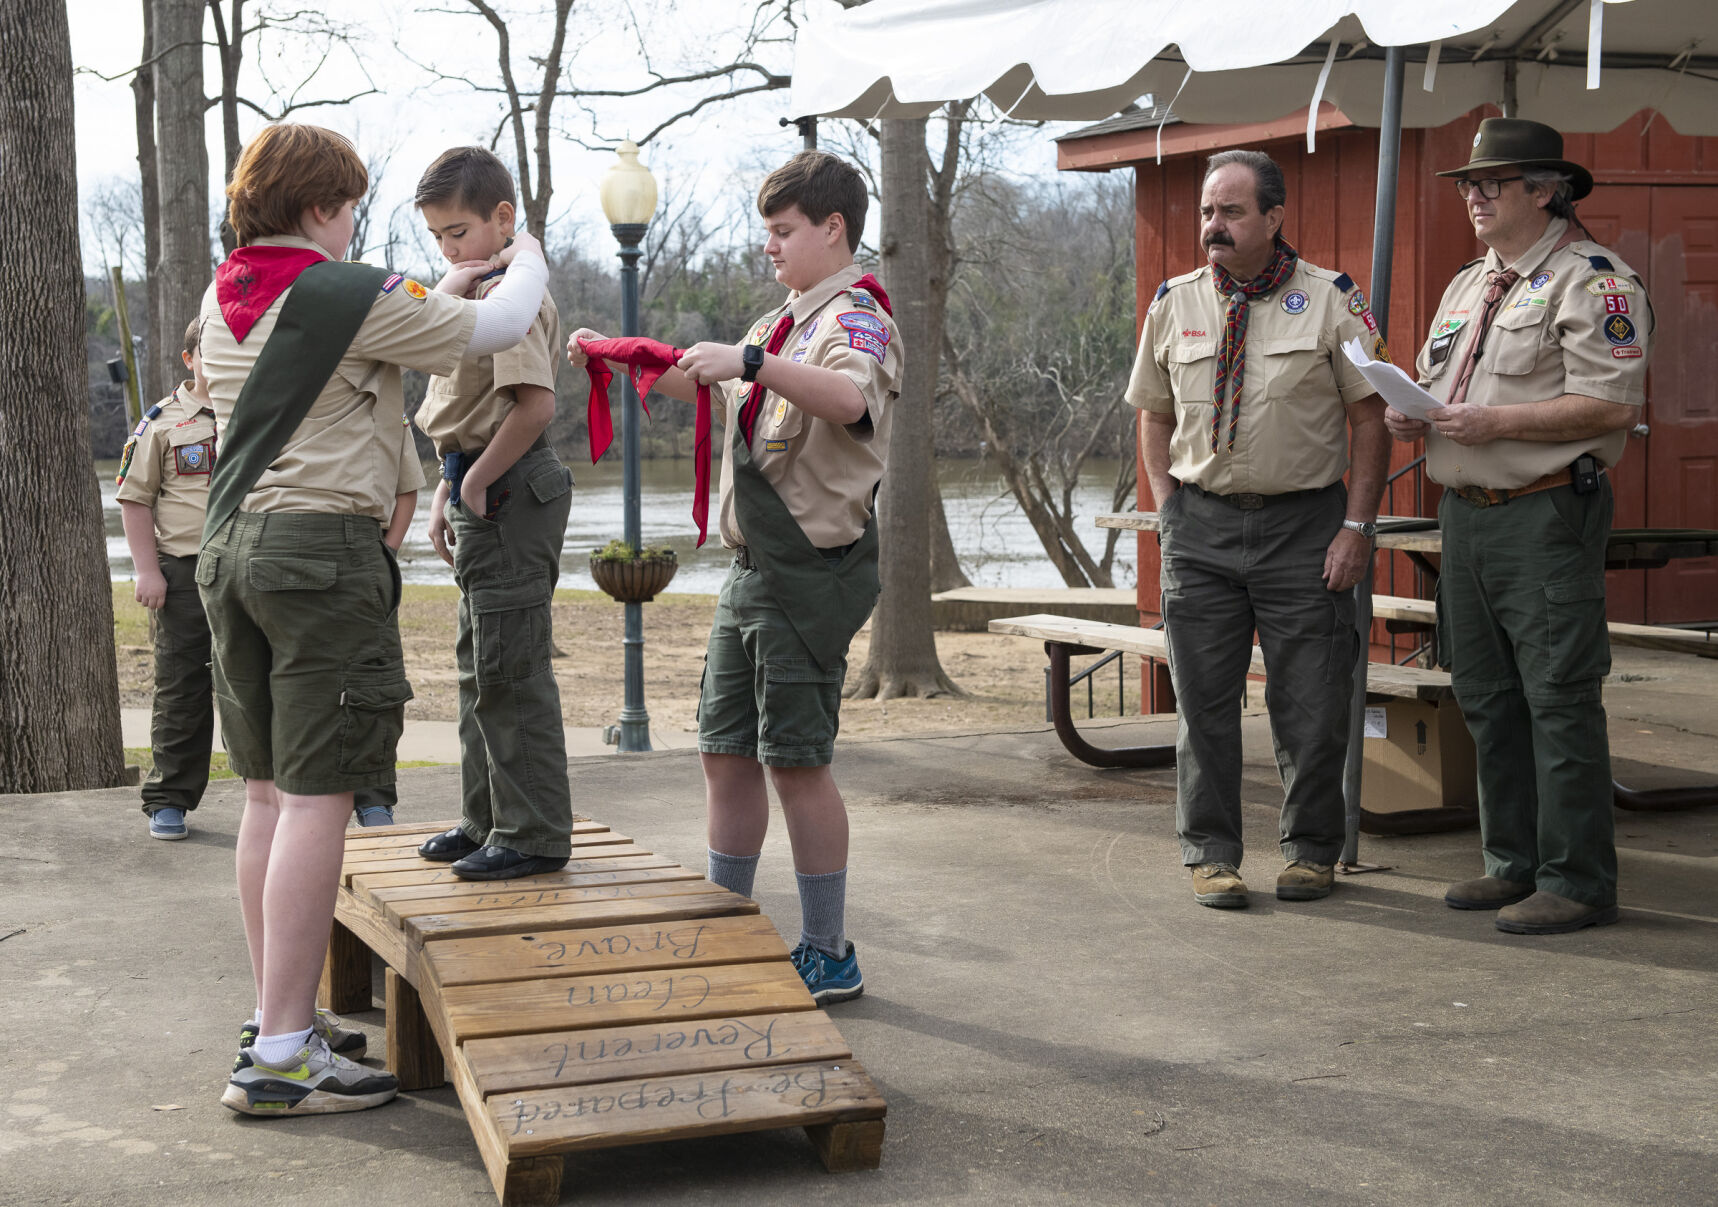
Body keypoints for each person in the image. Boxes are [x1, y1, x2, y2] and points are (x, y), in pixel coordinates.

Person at [196, 122, 550, 1116]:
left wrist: (446, 293)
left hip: (231, 549)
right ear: (320, 207)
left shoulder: (226, 295)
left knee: (265, 796)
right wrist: (519, 254)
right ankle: (278, 1055)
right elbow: (492, 326)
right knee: (322, 799)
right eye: (349, 205)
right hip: (319, 556)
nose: (356, 223)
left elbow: (387, 330)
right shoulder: (348, 292)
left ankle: (283, 1022)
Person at [566, 149, 902, 1003]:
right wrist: (620, 356)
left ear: (834, 228)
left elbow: (846, 400)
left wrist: (748, 363)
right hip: (750, 573)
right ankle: (729, 922)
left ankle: (828, 948)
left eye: (783, 231)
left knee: (796, 761)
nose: (770, 247)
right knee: (724, 753)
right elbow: (715, 388)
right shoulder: (777, 324)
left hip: (807, 573)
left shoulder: (854, 319)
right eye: (766, 233)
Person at [1386, 118, 1650, 935]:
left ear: (1546, 190)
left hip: (1543, 510)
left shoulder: (1595, 281)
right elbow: (1446, 385)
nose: (1473, 196)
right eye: (1467, 184)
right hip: (1466, 514)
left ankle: (1577, 879)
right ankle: (1513, 863)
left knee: (1559, 695)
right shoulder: (1472, 282)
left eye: (1490, 184)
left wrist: (1492, 424)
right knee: (1486, 694)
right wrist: (1416, 419)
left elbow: (1610, 404)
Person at [1127, 149, 1389, 909]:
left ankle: (1311, 849)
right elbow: (1154, 410)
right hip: (1200, 529)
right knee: (1203, 701)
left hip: (1304, 528)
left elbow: (1369, 418)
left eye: (1232, 211)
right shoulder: (1174, 303)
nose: (1214, 225)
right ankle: (1211, 852)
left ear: (1274, 218)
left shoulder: (1332, 300)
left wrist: (1357, 526)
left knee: (1310, 699)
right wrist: (1168, 505)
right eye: (1208, 211)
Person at [408, 146, 575, 881]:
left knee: (512, 669)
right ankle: (487, 818)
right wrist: (451, 484)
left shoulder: (513, 294)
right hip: (479, 482)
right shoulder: (476, 291)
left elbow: (533, 406)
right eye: (438, 236)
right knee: (479, 666)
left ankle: (532, 832)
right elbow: (466, 408)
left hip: (509, 488)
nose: (447, 248)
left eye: (458, 232)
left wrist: (475, 481)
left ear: (503, 219)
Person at [116, 319, 218, 841]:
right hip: (185, 572)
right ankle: (169, 799)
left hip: (255, 567)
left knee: (271, 685)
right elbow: (136, 500)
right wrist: (148, 570)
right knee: (183, 688)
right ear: (189, 359)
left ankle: (284, 802)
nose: (217, 359)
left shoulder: (259, 411)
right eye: (208, 351)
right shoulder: (160, 424)